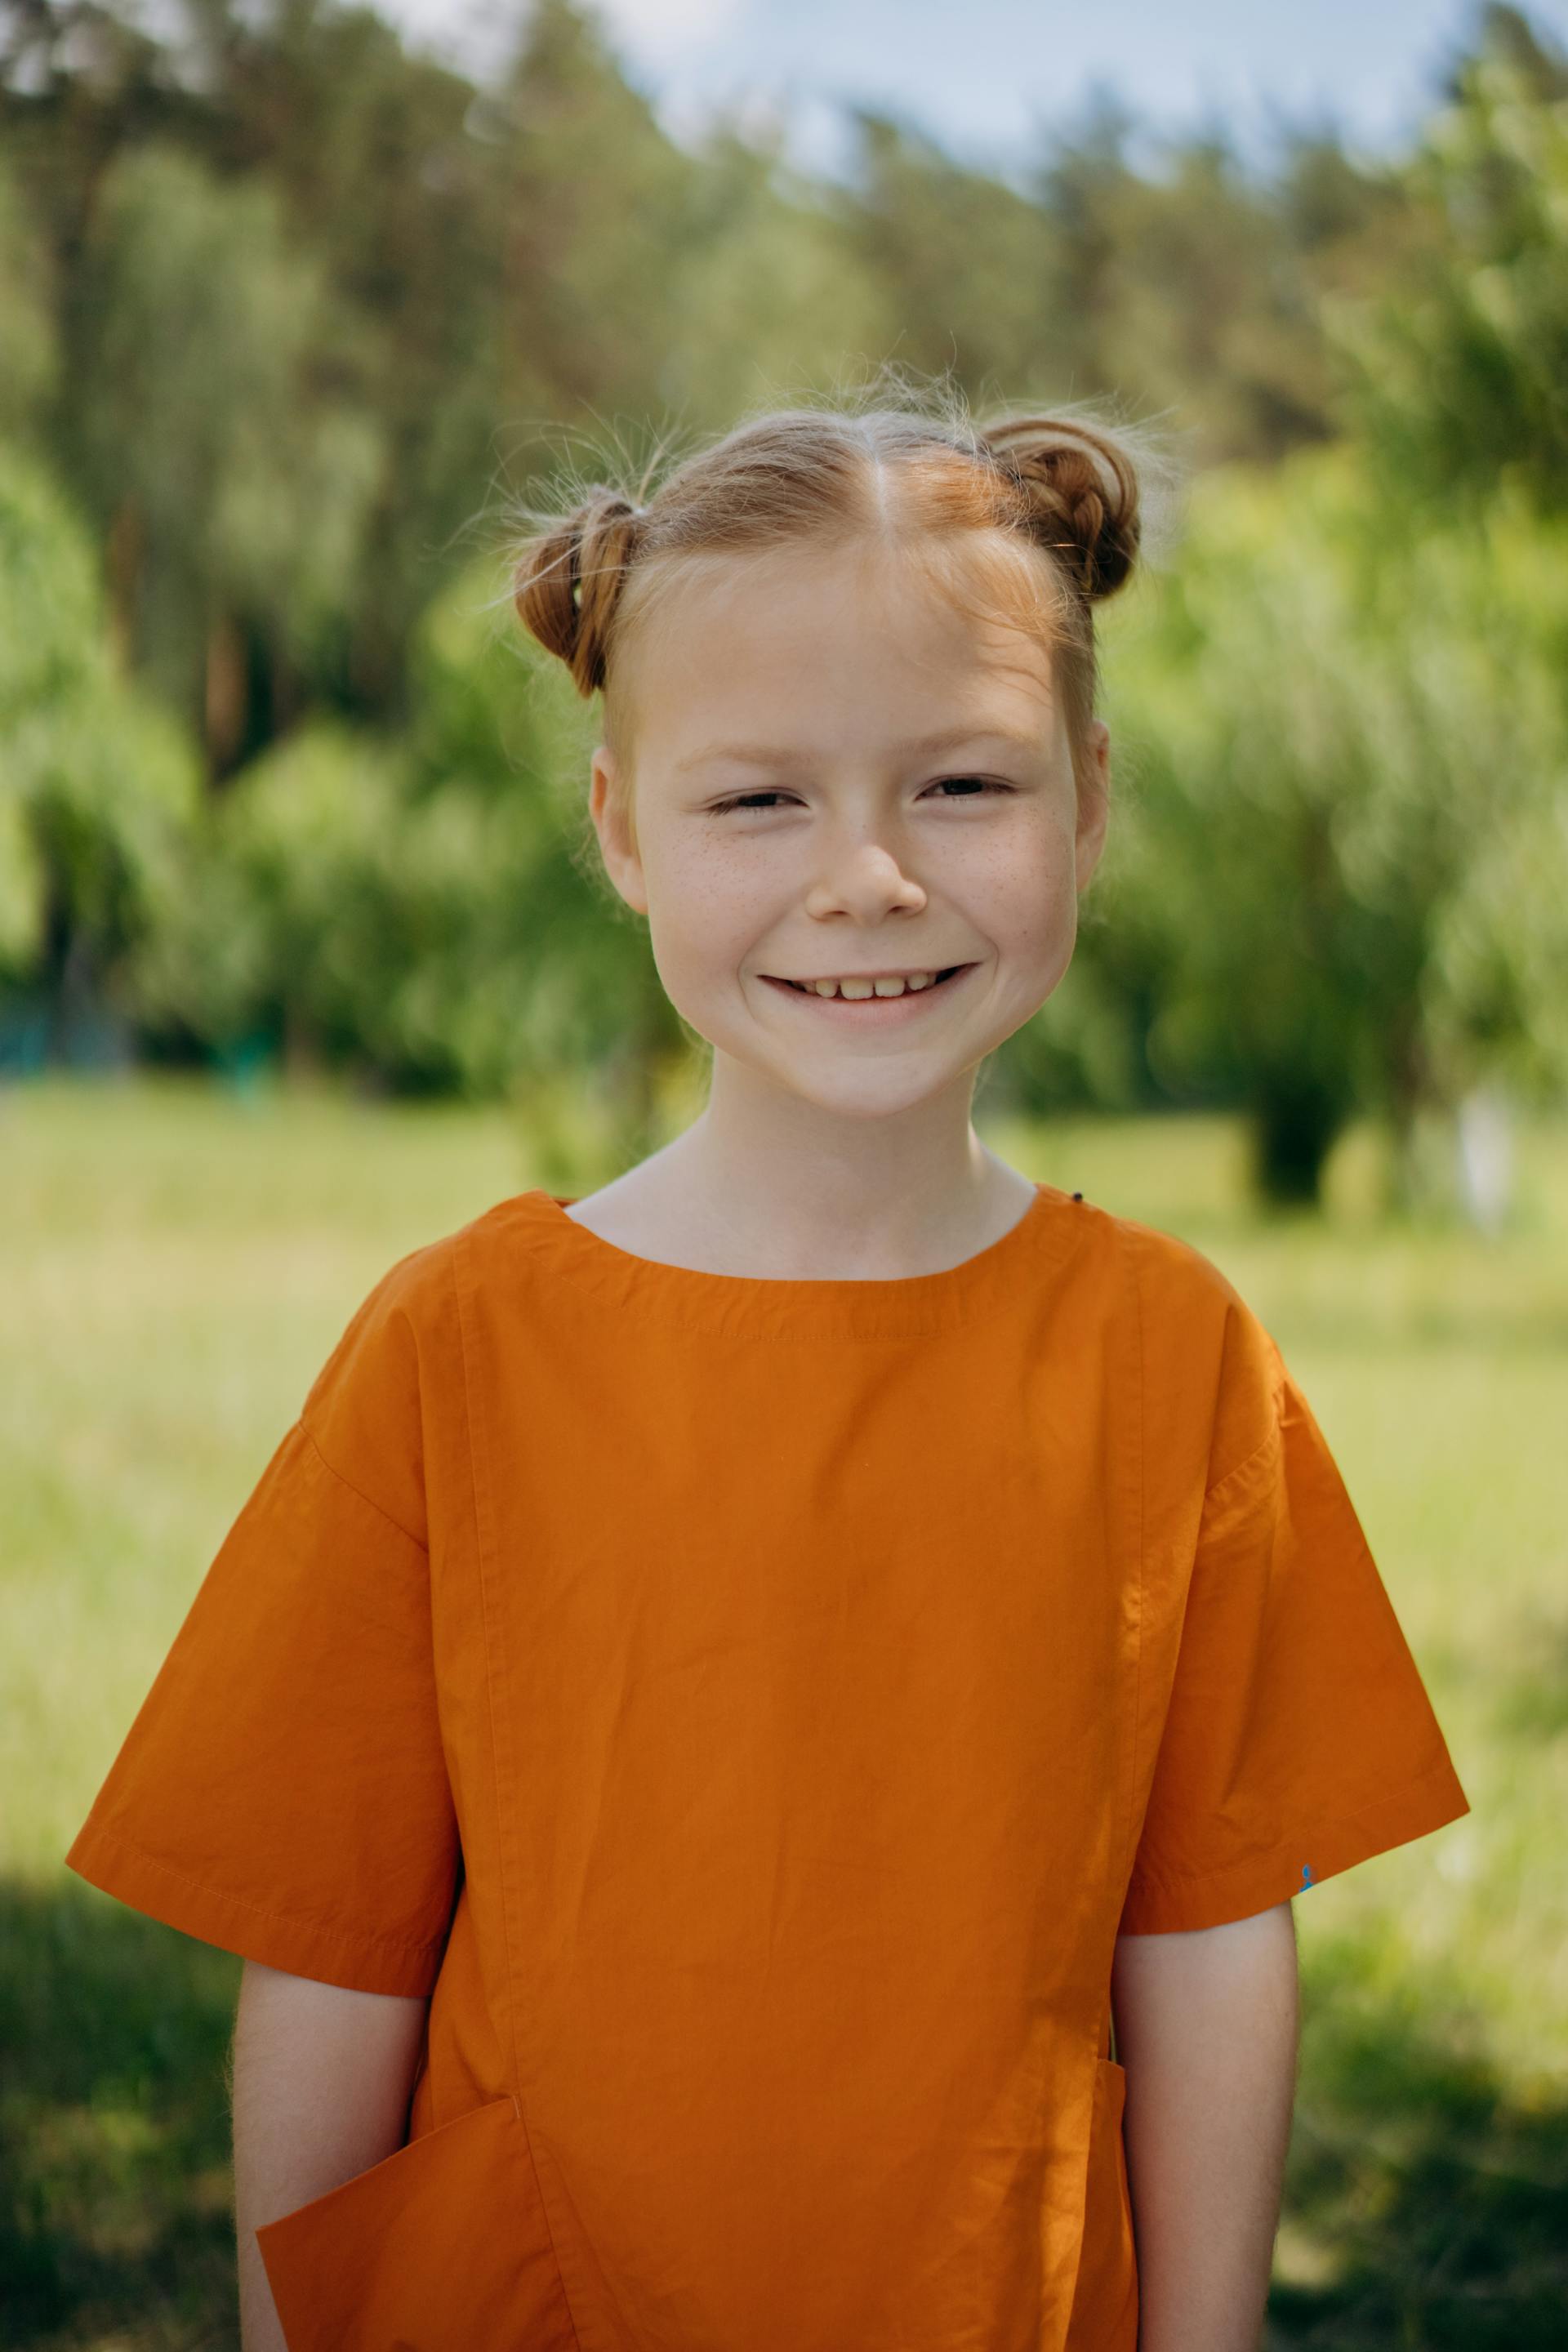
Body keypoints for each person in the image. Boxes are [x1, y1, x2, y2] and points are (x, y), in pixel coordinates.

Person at [65, 377, 1470, 2352]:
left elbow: (1215, 1938)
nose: (868, 875)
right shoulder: (462, 1346)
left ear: (1090, 792)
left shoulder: (1174, 1361)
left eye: (963, 785)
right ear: (623, 832)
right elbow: (331, 1956)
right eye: (758, 798)